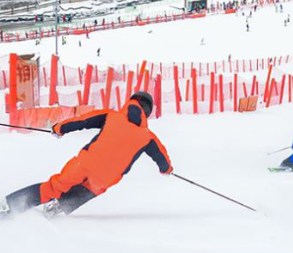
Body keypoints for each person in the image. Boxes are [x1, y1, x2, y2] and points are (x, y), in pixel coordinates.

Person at [1, 92, 172, 218]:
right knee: (90, 189)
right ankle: (57, 208)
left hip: (84, 164)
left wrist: (59, 128)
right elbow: (162, 159)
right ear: (147, 112)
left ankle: (10, 206)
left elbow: (82, 121)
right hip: (106, 178)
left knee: (56, 186)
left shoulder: (111, 116)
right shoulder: (148, 137)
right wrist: (166, 169)